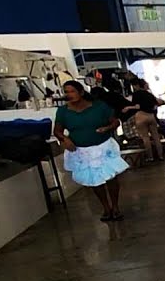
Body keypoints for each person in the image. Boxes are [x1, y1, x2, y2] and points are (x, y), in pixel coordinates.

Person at [54, 81, 127, 221]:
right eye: (66, 92)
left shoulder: (99, 106)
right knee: (94, 180)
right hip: (82, 151)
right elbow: (57, 131)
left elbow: (115, 121)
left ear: (81, 92)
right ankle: (106, 208)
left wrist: (107, 128)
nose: (69, 95)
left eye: (72, 91)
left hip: (104, 146)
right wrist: (65, 139)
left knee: (111, 177)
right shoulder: (63, 111)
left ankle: (116, 206)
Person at [126, 79, 165, 162]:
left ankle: (150, 157)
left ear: (136, 86)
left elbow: (137, 106)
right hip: (151, 116)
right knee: (156, 137)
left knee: (145, 138)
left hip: (141, 116)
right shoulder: (149, 94)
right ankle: (160, 155)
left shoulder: (136, 94)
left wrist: (128, 107)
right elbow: (157, 104)